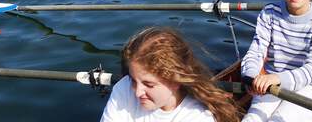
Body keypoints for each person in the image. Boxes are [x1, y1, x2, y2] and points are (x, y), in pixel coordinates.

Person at [100, 27, 239, 122]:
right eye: (134, 80)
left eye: (149, 84)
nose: (137, 92)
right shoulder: (124, 88)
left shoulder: (198, 117)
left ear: (175, 81)